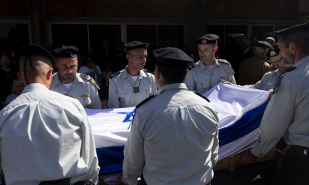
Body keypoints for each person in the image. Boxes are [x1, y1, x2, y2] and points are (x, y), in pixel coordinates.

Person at [0, 45, 100, 185]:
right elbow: (90, 159)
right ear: (50, 74)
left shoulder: (1, 119)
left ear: (20, 77)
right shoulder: (73, 107)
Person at [118, 47, 219, 185]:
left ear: (157, 74)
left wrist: (127, 179)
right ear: (186, 74)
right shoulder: (208, 107)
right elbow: (213, 155)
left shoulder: (145, 112)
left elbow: (134, 160)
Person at [242, 22, 309, 185]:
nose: (281, 56)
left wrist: (256, 152)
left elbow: (275, 124)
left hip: (300, 160)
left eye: (282, 50)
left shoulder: (292, 79)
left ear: (292, 48)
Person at [108, 41, 157, 108]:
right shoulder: (115, 80)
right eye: (141, 57)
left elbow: (154, 105)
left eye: (145, 57)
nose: (144, 60)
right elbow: (113, 108)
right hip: (125, 118)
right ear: (129, 57)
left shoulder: (150, 78)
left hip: (145, 118)